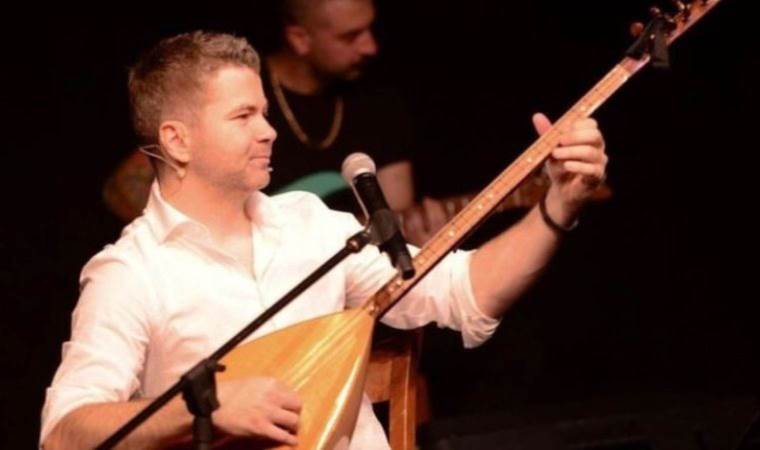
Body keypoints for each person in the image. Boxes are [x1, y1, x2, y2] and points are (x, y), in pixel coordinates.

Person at [41, 30, 607, 449]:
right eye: (243, 116)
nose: (269, 131)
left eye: (266, 113)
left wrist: (557, 207)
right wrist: (201, 409)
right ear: (177, 140)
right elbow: (64, 433)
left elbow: (465, 292)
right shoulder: (131, 273)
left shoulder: (312, 225)